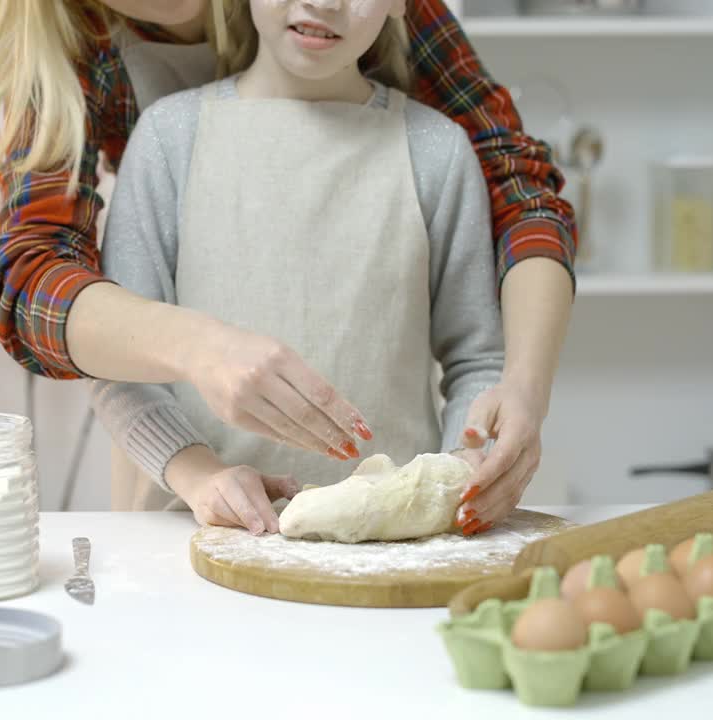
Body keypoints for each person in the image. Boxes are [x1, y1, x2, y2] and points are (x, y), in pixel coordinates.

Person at [0, 0, 575, 534]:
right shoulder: (159, 126)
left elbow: (513, 198)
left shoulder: (435, 149)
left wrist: (513, 401)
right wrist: (197, 402)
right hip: (193, 524)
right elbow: (35, 276)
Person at [93, 0, 509, 536]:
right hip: (192, 539)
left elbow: (477, 358)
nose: (325, 2)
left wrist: (463, 464)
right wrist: (199, 476)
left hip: (392, 550)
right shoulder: (169, 137)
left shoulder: (437, 152)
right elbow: (118, 364)